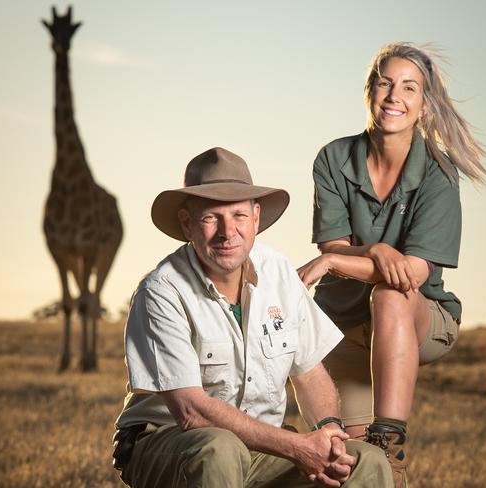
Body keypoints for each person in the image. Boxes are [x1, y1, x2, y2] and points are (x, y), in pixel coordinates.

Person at [112, 147, 393, 488]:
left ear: (256, 218)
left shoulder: (279, 271)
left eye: (239, 216)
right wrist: (297, 447)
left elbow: (309, 372)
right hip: (168, 442)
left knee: (367, 461)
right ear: (187, 223)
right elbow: (192, 412)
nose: (227, 232)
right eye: (211, 217)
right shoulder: (160, 291)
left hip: (264, 446)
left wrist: (329, 431)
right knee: (219, 447)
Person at [297, 43, 486, 487]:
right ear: (369, 90)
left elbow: (413, 276)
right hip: (341, 324)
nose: (394, 96)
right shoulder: (332, 158)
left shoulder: (440, 172)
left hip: (418, 316)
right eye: (385, 82)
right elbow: (334, 246)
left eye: (409, 87)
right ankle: (380, 462)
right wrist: (375, 251)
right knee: (349, 465)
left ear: (424, 104)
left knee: (389, 294)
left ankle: (391, 439)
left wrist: (337, 259)